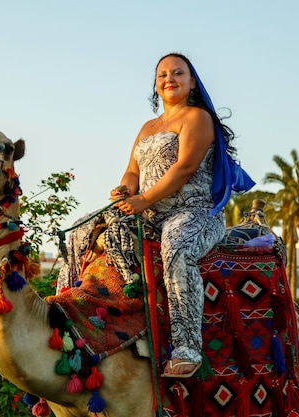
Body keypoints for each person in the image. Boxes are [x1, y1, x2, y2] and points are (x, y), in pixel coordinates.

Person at [110, 52, 254, 378]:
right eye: (162, 74)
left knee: (176, 245)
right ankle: (131, 315)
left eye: (178, 73)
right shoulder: (147, 127)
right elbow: (132, 171)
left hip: (195, 213)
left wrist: (143, 199)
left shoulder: (197, 117)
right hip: (149, 213)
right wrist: (124, 191)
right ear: (156, 85)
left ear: (191, 83)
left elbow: (185, 167)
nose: (169, 78)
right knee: (96, 228)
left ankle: (187, 346)